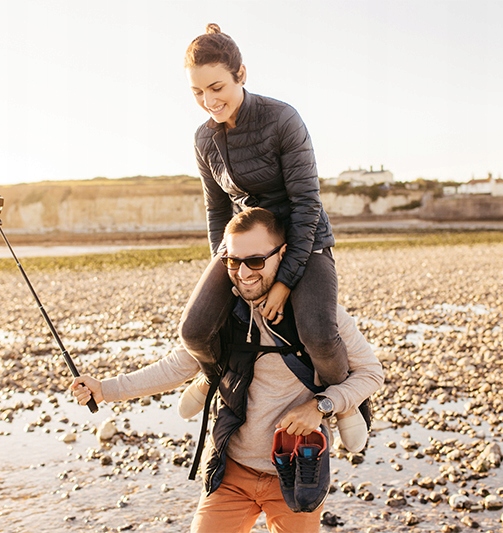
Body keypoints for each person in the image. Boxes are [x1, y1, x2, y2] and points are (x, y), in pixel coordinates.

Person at [70, 208, 384, 533]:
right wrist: (104, 389)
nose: (244, 272)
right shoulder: (223, 314)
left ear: (283, 254)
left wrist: (321, 406)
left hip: (297, 471)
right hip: (231, 470)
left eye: (256, 260)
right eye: (234, 261)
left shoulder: (321, 315)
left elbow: (371, 373)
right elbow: (179, 364)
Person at [178, 23, 350, 399]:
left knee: (319, 336)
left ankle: (345, 400)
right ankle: (212, 377)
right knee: (193, 330)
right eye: (197, 92)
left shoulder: (282, 119)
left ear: (241, 75)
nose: (209, 101)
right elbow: (217, 211)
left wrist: (285, 281)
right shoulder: (203, 139)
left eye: (217, 87)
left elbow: (307, 203)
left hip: (304, 238)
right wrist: (229, 269)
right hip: (243, 244)